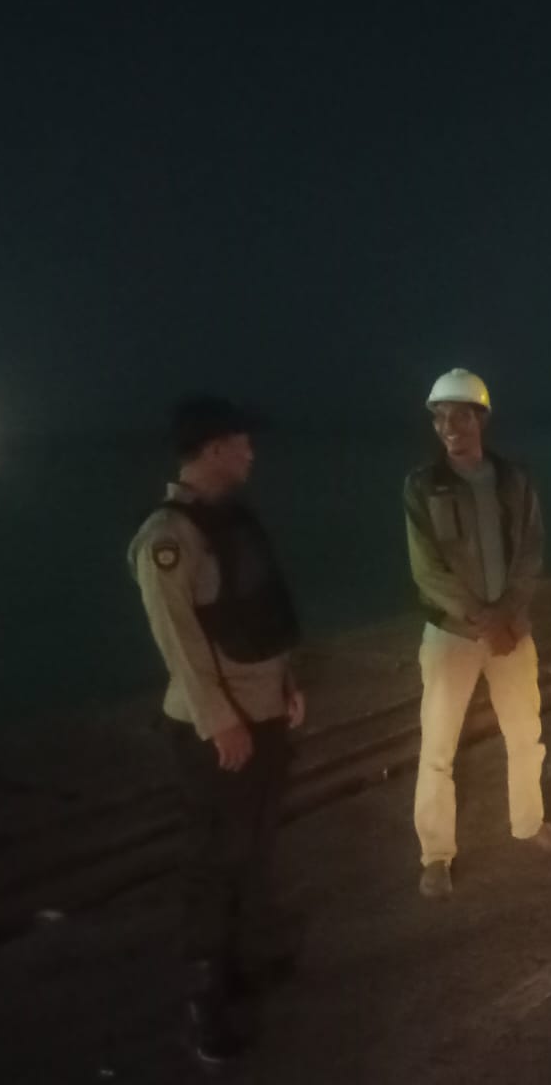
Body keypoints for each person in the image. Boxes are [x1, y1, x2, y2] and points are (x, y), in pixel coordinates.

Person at [128, 395, 305, 1066]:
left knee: (252, 848)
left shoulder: (232, 518)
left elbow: (261, 610)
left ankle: (244, 959)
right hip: (218, 729)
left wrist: (286, 684)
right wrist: (221, 722)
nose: (251, 452)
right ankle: (204, 996)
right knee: (213, 859)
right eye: (242, 442)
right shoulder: (169, 536)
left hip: (264, 711)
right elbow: (178, 641)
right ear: (212, 450)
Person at [404, 368, 551, 900]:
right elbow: (427, 570)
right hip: (453, 634)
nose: (449, 427)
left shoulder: (514, 479)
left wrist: (506, 616)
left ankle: (530, 822)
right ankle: (436, 855)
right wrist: (486, 620)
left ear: (481, 419)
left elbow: (531, 551)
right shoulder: (421, 486)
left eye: (460, 416)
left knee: (525, 734)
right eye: (440, 418)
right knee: (438, 746)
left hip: (511, 630)